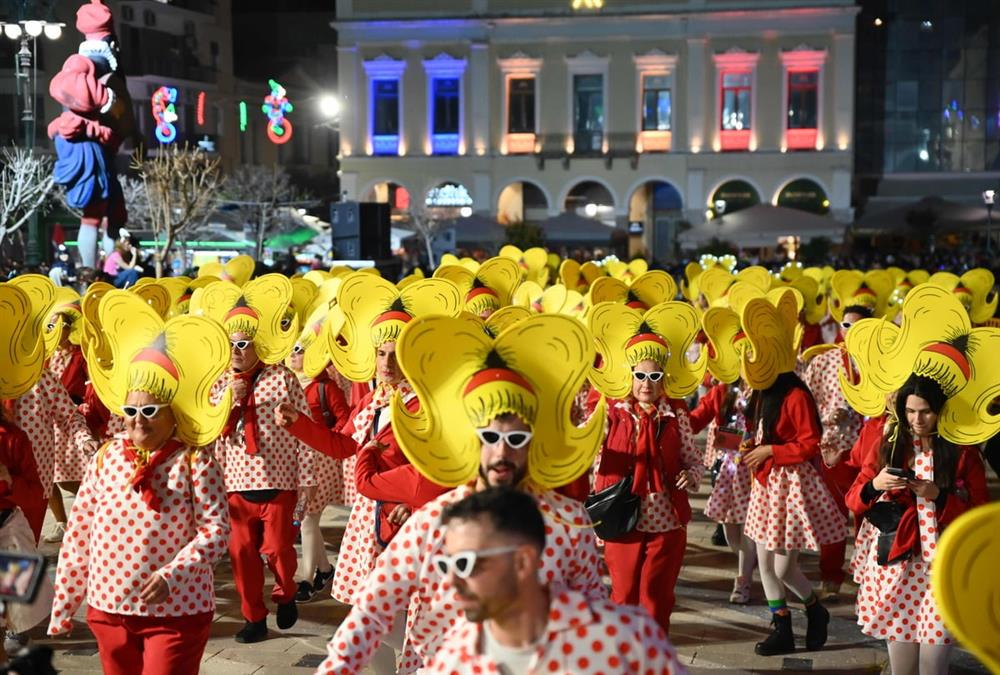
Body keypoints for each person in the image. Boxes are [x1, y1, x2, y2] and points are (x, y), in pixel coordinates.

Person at [316, 313, 608, 675]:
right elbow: (371, 610)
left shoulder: (569, 524)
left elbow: (593, 615)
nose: (501, 453)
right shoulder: (433, 521)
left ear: (534, 440)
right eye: (488, 437)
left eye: (515, 439)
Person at [48, 291, 231, 675]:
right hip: (108, 606)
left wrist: (173, 574)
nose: (138, 421)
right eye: (130, 411)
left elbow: (216, 532)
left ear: (172, 413)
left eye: (149, 411)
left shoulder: (195, 461)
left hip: (178, 609)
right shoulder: (106, 457)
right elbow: (79, 533)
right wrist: (65, 604)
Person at [423, 487, 687, 675]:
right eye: (446, 565)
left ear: (523, 562)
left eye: (465, 564)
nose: (452, 581)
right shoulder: (454, 660)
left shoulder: (627, 640)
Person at [194, 274, 315, 644]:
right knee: (242, 556)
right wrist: (229, 399)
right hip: (233, 484)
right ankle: (253, 618)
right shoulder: (216, 383)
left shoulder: (282, 377)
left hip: (279, 480)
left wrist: (308, 478)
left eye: (243, 343)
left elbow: (306, 429)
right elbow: (207, 433)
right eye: (230, 344)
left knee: (278, 549)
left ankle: (286, 593)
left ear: (256, 344)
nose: (237, 351)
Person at [587, 300, 706, 634]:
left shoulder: (675, 415)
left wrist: (691, 475)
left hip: (666, 520)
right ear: (629, 376)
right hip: (622, 516)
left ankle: (654, 659)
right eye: (640, 375)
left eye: (654, 376)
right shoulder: (611, 413)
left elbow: (693, 459)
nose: (646, 383)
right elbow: (591, 454)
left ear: (663, 378)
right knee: (623, 596)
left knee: (656, 600)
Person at [736, 290, 841, 656]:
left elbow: (811, 442)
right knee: (764, 561)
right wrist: (754, 447)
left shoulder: (795, 393)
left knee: (781, 567)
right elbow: (763, 433)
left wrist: (771, 450)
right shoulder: (763, 391)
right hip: (766, 483)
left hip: (789, 486)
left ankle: (815, 609)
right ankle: (782, 626)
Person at [801, 304, 872, 599]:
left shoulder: (879, 362)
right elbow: (805, 404)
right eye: (846, 325)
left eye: (858, 326)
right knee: (832, 514)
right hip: (831, 450)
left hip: (867, 451)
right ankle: (830, 575)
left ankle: (867, 576)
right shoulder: (824, 361)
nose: (850, 332)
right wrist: (827, 418)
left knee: (867, 515)